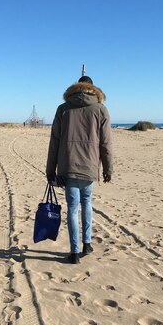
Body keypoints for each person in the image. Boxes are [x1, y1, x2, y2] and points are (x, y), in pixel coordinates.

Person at [46, 75, 113, 264]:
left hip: (68, 167)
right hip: (89, 167)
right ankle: (87, 243)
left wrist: (50, 170)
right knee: (87, 204)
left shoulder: (63, 109)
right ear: (93, 88)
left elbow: (54, 142)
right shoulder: (101, 109)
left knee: (73, 209)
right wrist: (108, 169)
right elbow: (106, 143)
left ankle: (75, 252)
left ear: (76, 87)